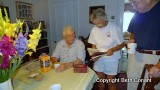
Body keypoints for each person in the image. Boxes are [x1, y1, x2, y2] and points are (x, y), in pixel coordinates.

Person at [88, 8, 125, 90]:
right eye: (95, 23)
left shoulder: (114, 28)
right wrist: (94, 54)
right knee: (100, 80)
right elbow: (93, 44)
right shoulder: (94, 29)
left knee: (110, 82)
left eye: (98, 23)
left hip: (111, 58)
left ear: (104, 19)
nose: (97, 25)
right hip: (99, 57)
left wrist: (112, 49)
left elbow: (122, 44)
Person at [127, 0, 160, 89]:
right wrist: (131, 40)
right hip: (135, 56)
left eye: (135, 3)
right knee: (132, 85)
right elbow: (132, 33)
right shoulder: (137, 14)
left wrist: (159, 65)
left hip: (155, 59)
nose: (134, 7)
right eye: (132, 4)